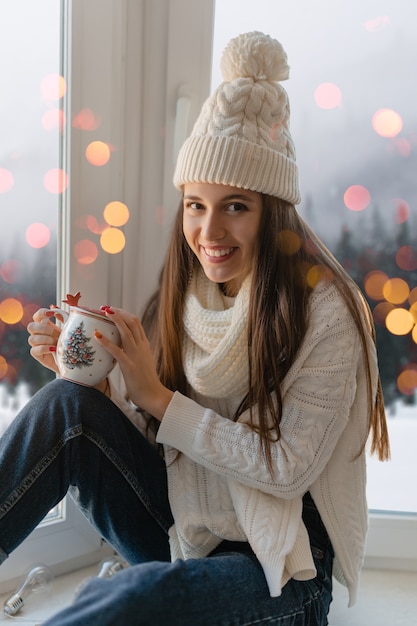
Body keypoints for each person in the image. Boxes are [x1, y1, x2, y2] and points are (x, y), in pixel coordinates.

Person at [0, 31, 389, 626]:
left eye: (235, 205)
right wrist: (98, 388)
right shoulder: (192, 295)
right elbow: (173, 444)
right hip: (192, 529)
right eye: (195, 204)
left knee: (120, 602)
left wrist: (159, 395)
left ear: (272, 209)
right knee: (65, 406)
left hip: (283, 572)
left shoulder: (326, 310)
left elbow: (287, 467)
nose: (209, 231)